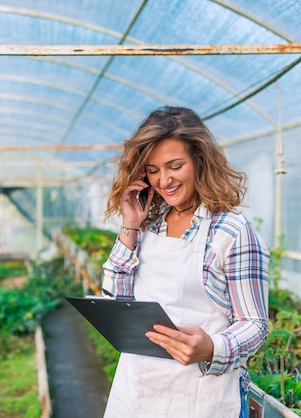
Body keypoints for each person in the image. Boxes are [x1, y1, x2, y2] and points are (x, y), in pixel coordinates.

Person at [101, 106, 270, 418]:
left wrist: (212, 348)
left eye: (174, 166)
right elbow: (117, 300)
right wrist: (129, 225)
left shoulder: (231, 231)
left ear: (199, 160)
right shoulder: (150, 226)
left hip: (200, 397)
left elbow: (256, 324)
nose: (164, 180)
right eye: (152, 170)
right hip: (138, 389)